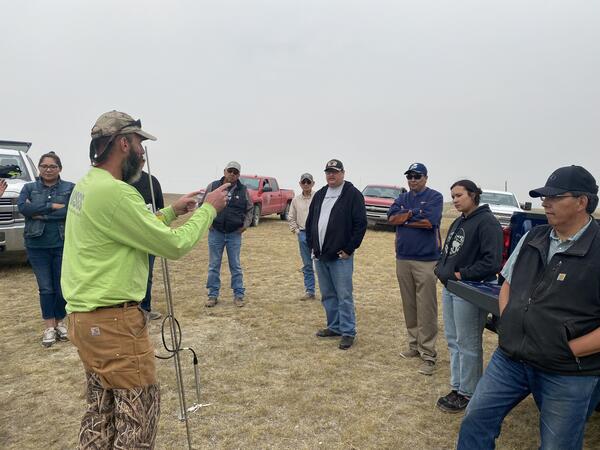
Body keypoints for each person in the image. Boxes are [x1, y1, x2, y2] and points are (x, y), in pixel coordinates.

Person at [61, 110, 229, 449]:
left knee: (100, 414)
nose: (142, 151)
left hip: (84, 321)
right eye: (139, 143)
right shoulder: (118, 193)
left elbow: (128, 227)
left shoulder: (87, 185)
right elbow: (173, 245)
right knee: (136, 420)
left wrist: (171, 212)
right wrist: (209, 209)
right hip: (115, 326)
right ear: (124, 143)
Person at [457, 165, 600, 450]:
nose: (545, 202)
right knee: (475, 420)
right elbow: (508, 283)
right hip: (511, 358)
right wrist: (509, 320)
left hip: (568, 371)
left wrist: (568, 349)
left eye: (555, 197)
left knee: (558, 445)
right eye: (544, 197)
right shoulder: (533, 238)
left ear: (582, 202)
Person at [434, 180, 503, 413]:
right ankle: (457, 387)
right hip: (452, 288)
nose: (454, 200)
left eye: (459, 195)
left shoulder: (487, 222)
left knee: (469, 343)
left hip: (472, 290)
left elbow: (491, 262)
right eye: (452, 196)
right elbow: (449, 252)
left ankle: (469, 393)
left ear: (473, 195)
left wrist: (460, 274)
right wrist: (440, 269)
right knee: (454, 340)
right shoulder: (459, 221)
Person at [305, 159, 367, 350]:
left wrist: (349, 249)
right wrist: (312, 245)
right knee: (328, 294)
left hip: (341, 257)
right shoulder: (321, 194)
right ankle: (334, 326)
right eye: (328, 172)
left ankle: (348, 331)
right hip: (320, 255)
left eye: (335, 172)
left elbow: (360, 225)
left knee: (344, 295)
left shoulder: (352, 195)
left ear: (343, 173)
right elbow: (310, 222)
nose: (331, 175)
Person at [387, 162, 443, 375]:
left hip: (426, 260)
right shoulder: (402, 198)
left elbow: (430, 221)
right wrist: (412, 214)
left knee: (426, 307)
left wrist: (406, 217)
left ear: (425, 178)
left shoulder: (435, 197)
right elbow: (391, 218)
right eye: (409, 176)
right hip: (403, 258)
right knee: (409, 304)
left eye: (417, 176)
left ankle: (428, 354)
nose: (412, 180)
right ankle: (414, 345)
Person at [17, 151, 75, 347]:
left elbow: (72, 210)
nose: (48, 169)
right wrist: (52, 207)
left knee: (61, 287)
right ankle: (49, 327)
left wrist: (40, 212)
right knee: (46, 288)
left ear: (60, 168)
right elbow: (23, 209)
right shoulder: (28, 187)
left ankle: (60, 323)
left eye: (52, 166)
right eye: (44, 166)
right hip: (36, 245)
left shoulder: (70, 188)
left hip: (62, 243)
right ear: (39, 168)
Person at [204, 161, 253, 308]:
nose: (232, 174)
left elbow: (250, 209)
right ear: (225, 171)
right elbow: (203, 204)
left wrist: (244, 226)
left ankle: (239, 295)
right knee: (214, 265)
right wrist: (208, 223)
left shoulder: (243, 190)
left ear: (239, 175)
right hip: (216, 232)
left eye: (235, 172)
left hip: (234, 234)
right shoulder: (213, 187)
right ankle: (212, 295)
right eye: (230, 171)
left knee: (235, 265)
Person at [131, 170, 165, 320]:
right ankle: (130, 311)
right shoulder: (121, 179)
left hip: (149, 237)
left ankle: (145, 309)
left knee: (147, 274)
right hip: (128, 236)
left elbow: (160, 210)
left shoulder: (152, 181)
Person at [288, 172, 317, 300]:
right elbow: (291, 217)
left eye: (308, 182)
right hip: (303, 234)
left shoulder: (318, 197)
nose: (306, 184)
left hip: (317, 235)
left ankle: (328, 293)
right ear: (300, 184)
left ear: (313, 183)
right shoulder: (296, 200)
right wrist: (297, 231)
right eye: (303, 182)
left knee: (322, 264)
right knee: (307, 264)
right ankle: (310, 291)